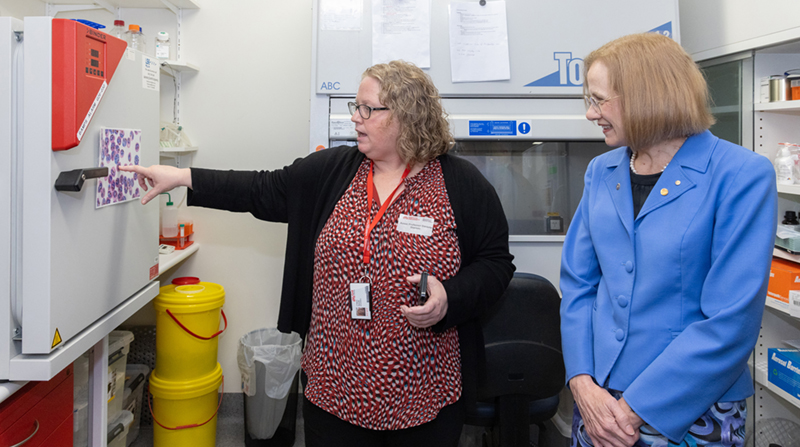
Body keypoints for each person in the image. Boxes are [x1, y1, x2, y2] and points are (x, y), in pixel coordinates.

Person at [121, 60, 515, 446]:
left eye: (367, 109)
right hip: (333, 390)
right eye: (354, 107)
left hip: (424, 397)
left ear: (405, 116)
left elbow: (497, 264)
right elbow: (260, 189)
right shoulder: (333, 171)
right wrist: (181, 178)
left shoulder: (461, 185)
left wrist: (451, 296)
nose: (355, 118)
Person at [559, 32, 777, 447]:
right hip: (597, 400)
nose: (591, 114)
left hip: (691, 403)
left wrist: (632, 409)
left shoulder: (739, 175)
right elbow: (578, 287)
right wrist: (582, 383)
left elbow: (730, 319)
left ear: (645, 97)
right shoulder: (601, 171)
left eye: (599, 100)